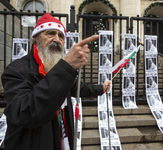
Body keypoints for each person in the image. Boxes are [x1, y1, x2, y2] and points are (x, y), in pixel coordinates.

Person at [1, 12, 111, 150]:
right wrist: (66, 67)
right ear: (36, 38)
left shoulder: (55, 68)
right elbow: (27, 113)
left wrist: (101, 88)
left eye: (61, 36)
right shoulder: (16, 70)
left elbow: (77, 87)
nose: (57, 39)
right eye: (50, 33)